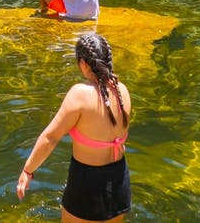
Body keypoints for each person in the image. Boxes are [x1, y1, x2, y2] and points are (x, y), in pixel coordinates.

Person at [17, 33, 131, 223]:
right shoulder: (122, 91)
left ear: (84, 64)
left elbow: (50, 138)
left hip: (86, 185)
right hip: (119, 183)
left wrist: (28, 171)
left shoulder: (80, 94)